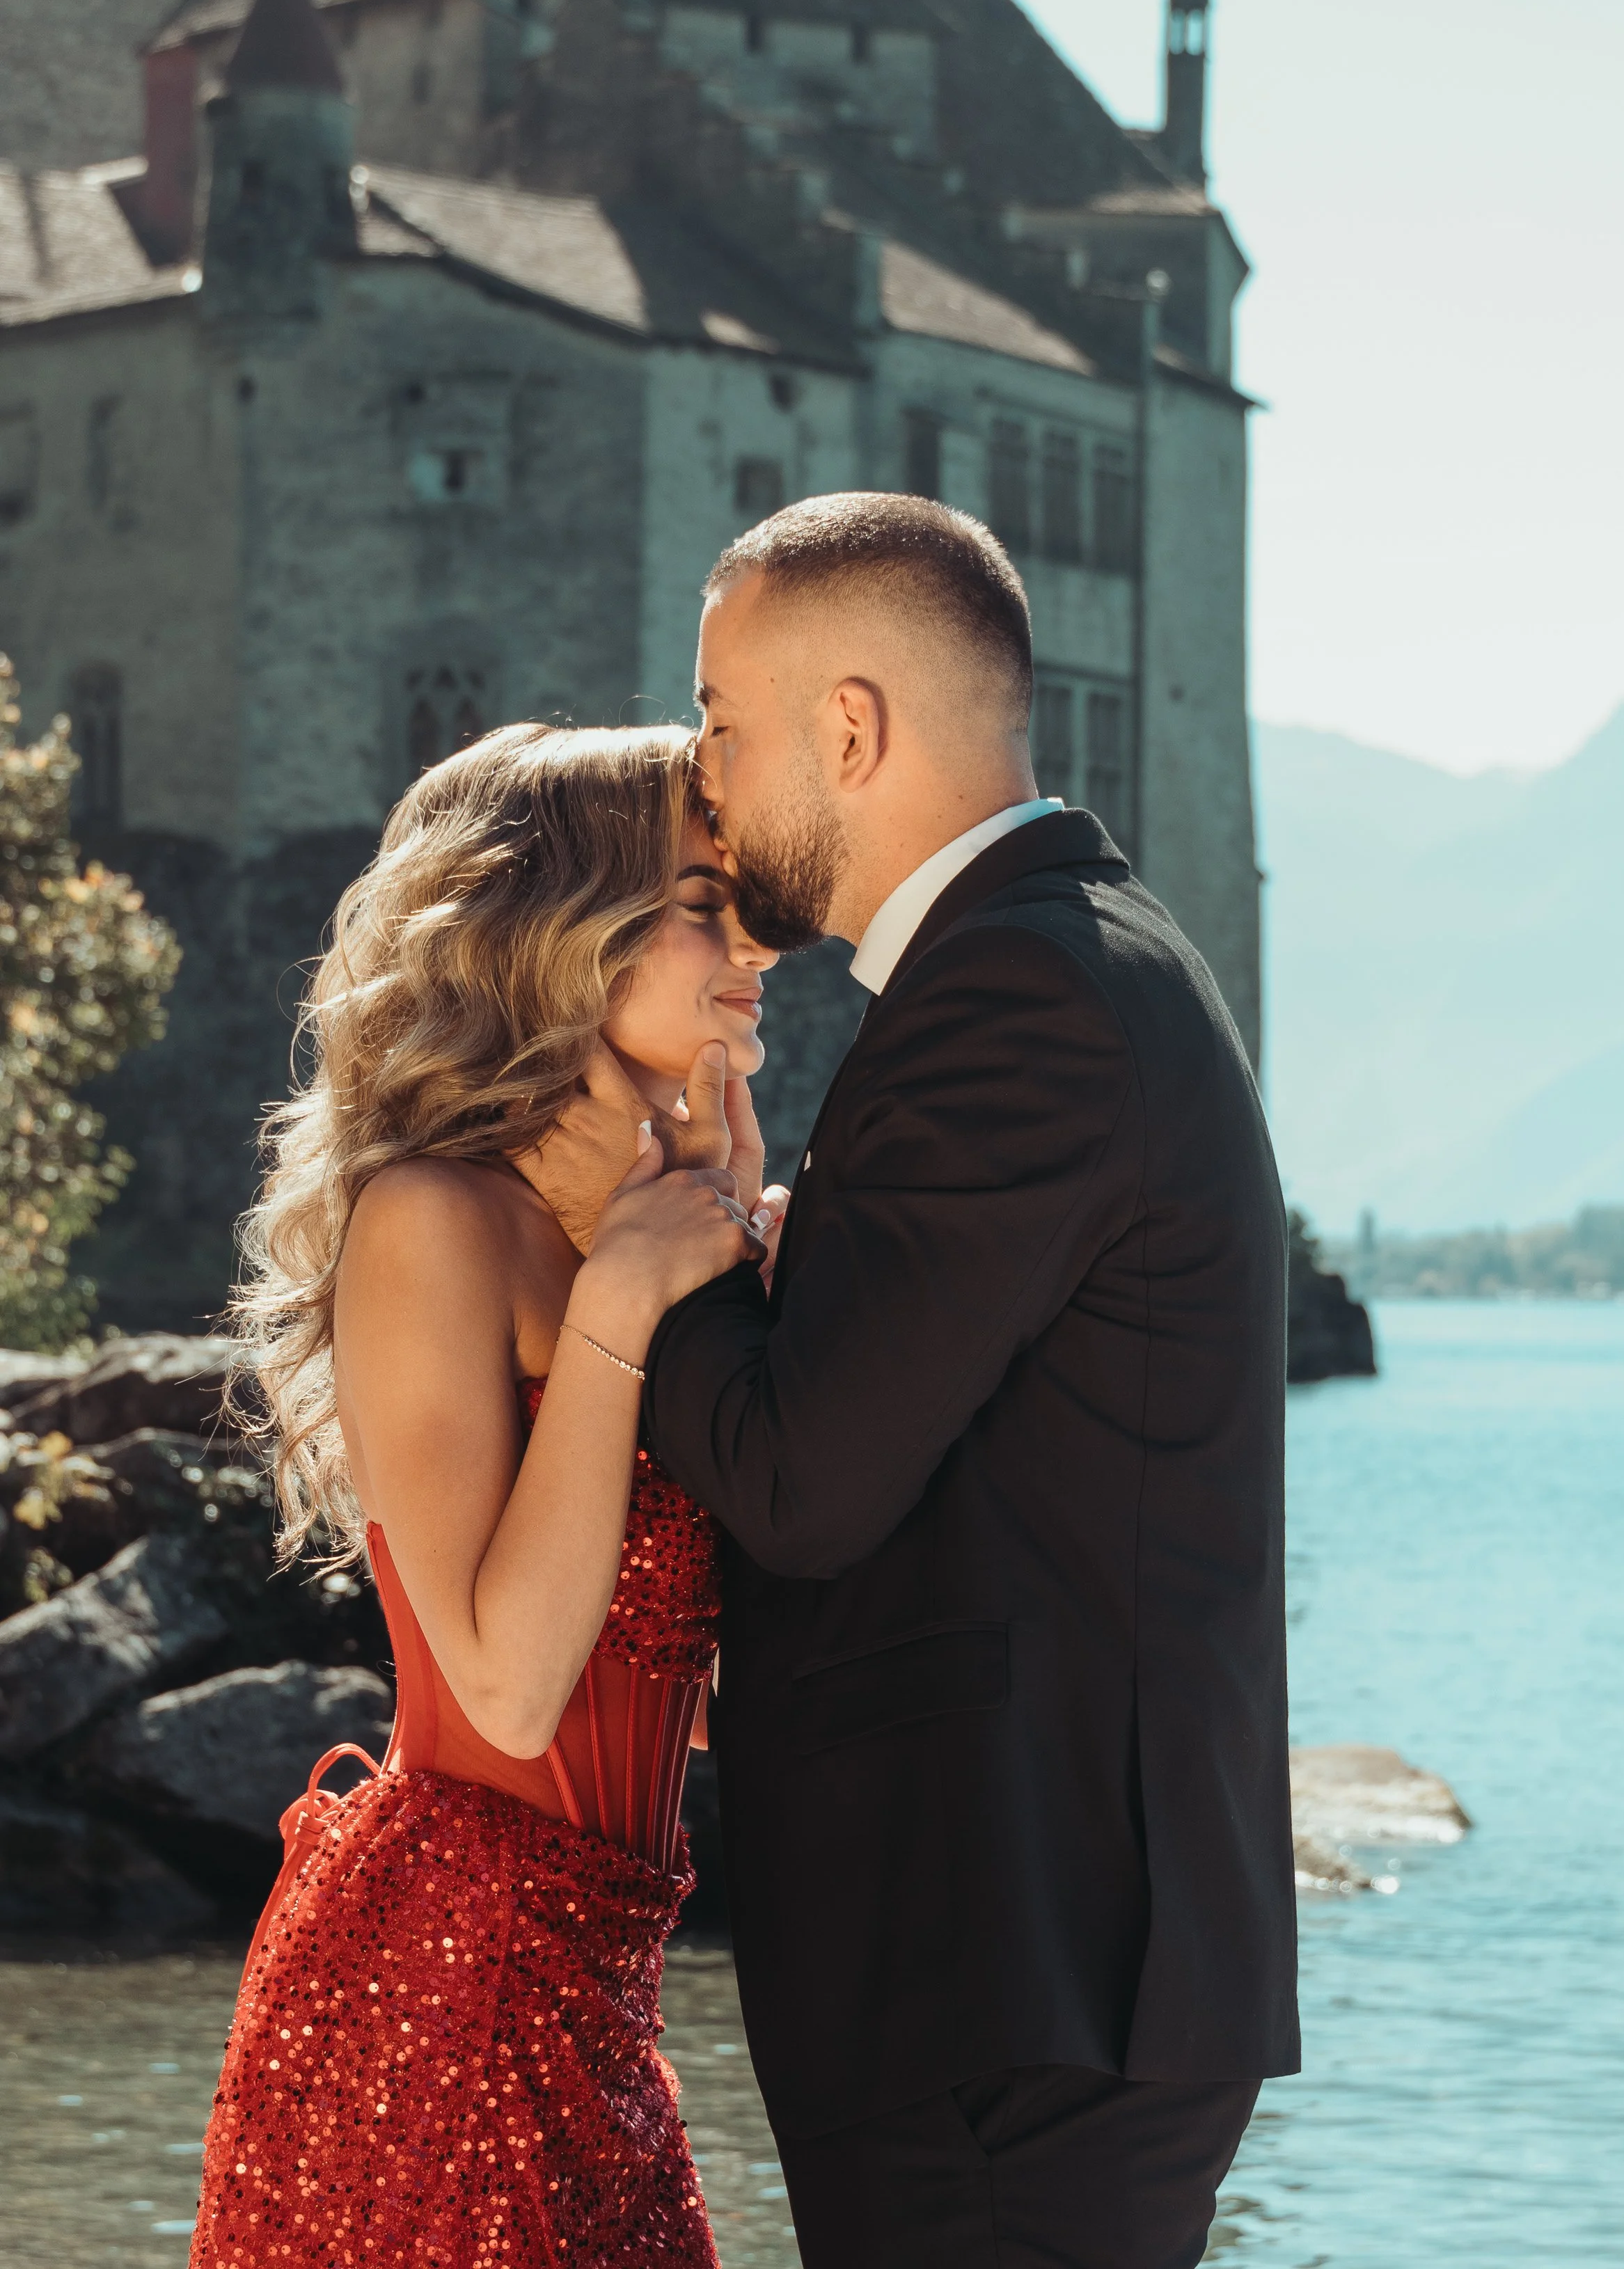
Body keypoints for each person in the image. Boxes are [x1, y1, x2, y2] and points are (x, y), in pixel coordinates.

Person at [539, 493, 1300, 2269]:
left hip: (1011, 1978)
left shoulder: (1018, 993)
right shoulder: (1066, 959)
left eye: (722, 723)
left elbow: (801, 1474)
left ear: (850, 728)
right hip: (1042, 1971)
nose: (707, 783)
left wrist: (648, 1243)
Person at [189, 723, 775, 2269]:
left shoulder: (643, 1242)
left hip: (593, 1984)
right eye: (703, 900)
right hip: (444, 1984)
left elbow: (701, 1684)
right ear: (561, 937)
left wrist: (726, 1275)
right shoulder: (433, 1222)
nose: (753, 943)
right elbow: (511, 1687)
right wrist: (631, 1294)